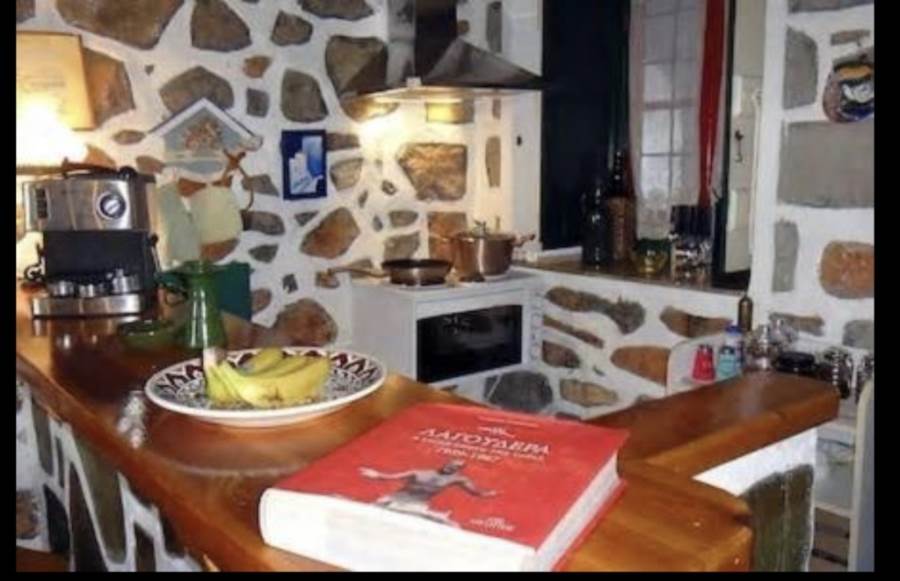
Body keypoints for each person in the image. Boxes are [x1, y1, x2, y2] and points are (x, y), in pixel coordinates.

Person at [359, 459, 497, 526]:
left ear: (458, 470)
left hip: (417, 506)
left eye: (455, 467)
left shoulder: (458, 479)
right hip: (394, 500)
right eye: (450, 465)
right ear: (446, 463)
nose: (451, 468)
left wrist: (486, 494)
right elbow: (390, 477)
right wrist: (376, 475)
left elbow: (474, 492)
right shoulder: (419, 473)